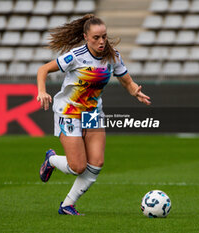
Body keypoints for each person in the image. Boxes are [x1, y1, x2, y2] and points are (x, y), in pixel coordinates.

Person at [37, 14, 151, 216]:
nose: (101, 42)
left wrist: (135, 90)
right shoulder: (76, 56)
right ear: (85, 37)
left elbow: (126, 80)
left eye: (104, 37)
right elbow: (44, 69)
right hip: (69, 112)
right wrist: (41, 91)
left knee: (96, 162)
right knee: (78, 167)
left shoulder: (112, 56)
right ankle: (51, 160)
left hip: (92, 113)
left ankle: (67, 205)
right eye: (96, 38)